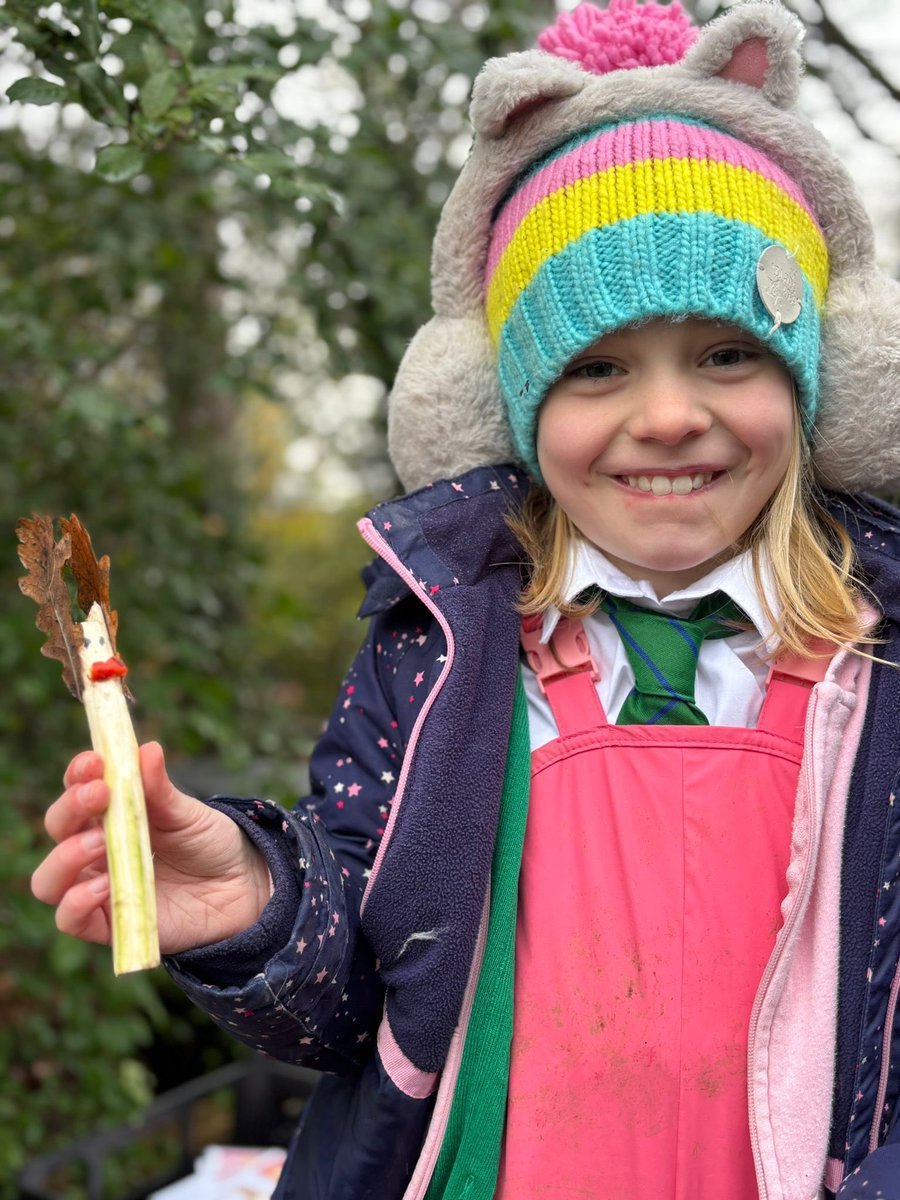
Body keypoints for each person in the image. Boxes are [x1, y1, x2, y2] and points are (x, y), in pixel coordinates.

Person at [30, 1, 900, 1197]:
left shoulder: (884, 667)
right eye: (597, 368)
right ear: (514, 404)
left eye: (726, 354)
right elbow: (364, 1005)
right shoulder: (436, 648)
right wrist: (254, 904)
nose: (667, 414)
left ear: (813, 384)